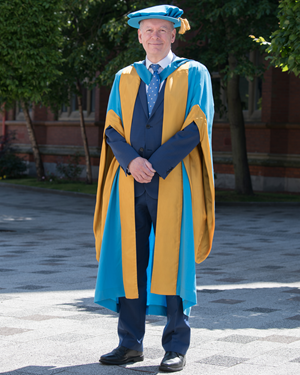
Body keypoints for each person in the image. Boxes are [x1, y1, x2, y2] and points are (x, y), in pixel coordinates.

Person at [93, 4, 215, 372]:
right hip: (129, 184)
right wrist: (131, 161)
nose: (155, 37)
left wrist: (156, 164)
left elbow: (197, 124)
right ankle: (129, 344)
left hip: (173, 183)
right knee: (130, 261)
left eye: (163, 30)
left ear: (174, 34)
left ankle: (175, 346)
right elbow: (112, 128)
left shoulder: (194, 72)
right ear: (140, 35)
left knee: (174, 262)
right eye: (148, 30)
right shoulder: (125, 76)